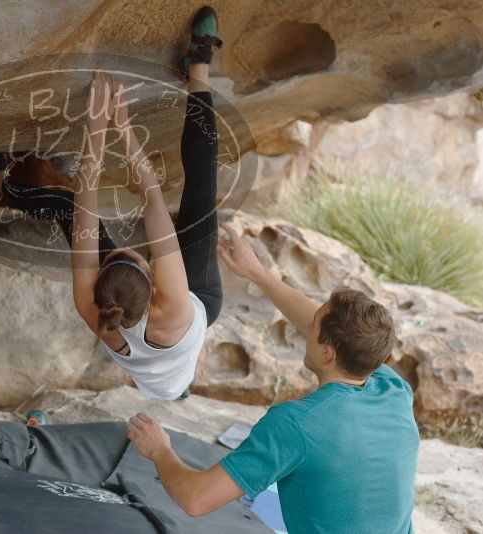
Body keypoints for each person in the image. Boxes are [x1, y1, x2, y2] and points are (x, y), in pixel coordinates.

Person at [0, 6, 225, 401]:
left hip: (149, 361)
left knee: (65, 208)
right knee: (202, 185)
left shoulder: (90, 306)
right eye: (136, 254)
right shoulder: (178, 304)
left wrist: (95, 127)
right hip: (199, 308)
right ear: (153, 282)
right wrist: (123, 130)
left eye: (115, 255)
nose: (127, 247)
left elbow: (84, 199)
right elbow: (152, 195)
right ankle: (198, 66)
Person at [125, 223, 421, 533]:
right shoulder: (394, 390)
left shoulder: (295, 425)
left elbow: (196, 499)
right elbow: (332, 331)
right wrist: (257, 272)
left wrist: (159, 450)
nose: (306, 327)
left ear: (329, 353)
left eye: (314, 325)